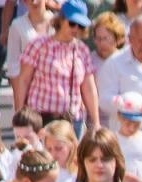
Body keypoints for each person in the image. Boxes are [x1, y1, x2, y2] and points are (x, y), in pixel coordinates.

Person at [14, 0, 97, 130]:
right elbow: (23, 80)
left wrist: (95, 122)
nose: (76, 29)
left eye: (80, 26)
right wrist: (19, 114)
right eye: (72, 23)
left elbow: (89, 88)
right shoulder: (39, 45)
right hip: (41, 118)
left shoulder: (82, 50)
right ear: (61, 20)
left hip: (72, 119)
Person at [94, 12, 142, 132]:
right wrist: (131, 103)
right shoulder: (114, 64)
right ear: (130, 39)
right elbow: (104, 101)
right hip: (124, 139)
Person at [110, 91, 142, 182]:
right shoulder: (111, 140)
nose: (131, 128)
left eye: (137, 124)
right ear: (119, 117)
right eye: (128, 123)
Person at [86, 11, 123, 78]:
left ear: (117, 38)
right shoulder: (89, 60)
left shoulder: (124, 61)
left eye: (105, 38)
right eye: (98, 38)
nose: (101, 43)